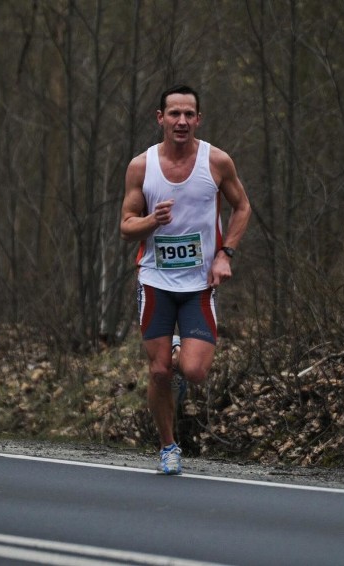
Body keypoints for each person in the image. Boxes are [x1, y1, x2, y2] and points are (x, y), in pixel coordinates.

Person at [120, 84, 251, 475]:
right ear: (160, 118)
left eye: (188, 114)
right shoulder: (141, 167)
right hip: (155, 279)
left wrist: (225, 253)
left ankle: (179, 351)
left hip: (198, 285)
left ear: (198, 119)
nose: (181, 121)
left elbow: (242, 207)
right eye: (173, 113)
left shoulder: (217, 162)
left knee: (193, 372)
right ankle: (168, 446)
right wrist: (151, 221)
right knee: (159, 371)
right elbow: (127, 227)